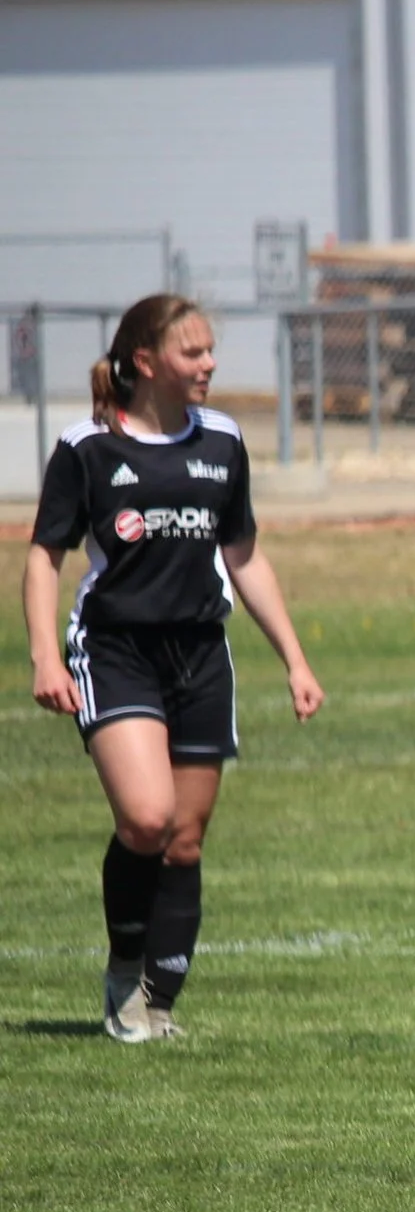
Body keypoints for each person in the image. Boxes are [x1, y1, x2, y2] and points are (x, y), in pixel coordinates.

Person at [22, 294, 324, 1042]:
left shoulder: (221, 441)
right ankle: (125, 967)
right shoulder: (87, 446)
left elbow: (243, 556)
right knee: (147, 818)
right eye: (194, 353)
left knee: (185, 837)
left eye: (211, 351)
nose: (210, 364)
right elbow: (43, 556)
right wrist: (43, 656)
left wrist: (294, 658)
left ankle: (156, 1005)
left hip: (199, 654)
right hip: (116, 650)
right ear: (147, 361)